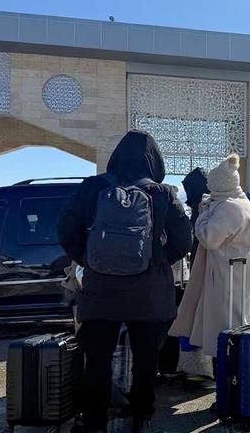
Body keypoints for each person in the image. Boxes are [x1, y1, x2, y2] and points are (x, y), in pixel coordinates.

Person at [57, 130, 193, 433]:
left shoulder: (92, 188)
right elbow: (184, 240)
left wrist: (90, 260)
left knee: (97, 360)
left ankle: (95, 421)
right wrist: (156, 261)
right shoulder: (163, 193)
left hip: (100, 292)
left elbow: (66, 229)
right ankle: (141, 414)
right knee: (147, 360)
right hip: (149, 295)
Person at [170, 153, 250, 370]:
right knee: (226, 332)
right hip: (229, 275)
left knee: (224, 334)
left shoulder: (229, 207)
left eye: (211, 185)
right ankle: (227, 387)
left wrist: (202, 215)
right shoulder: (237, 202)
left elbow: (209, 237)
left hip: (225, 280)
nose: (209, 190)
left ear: (220, 185)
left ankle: (227, 392)